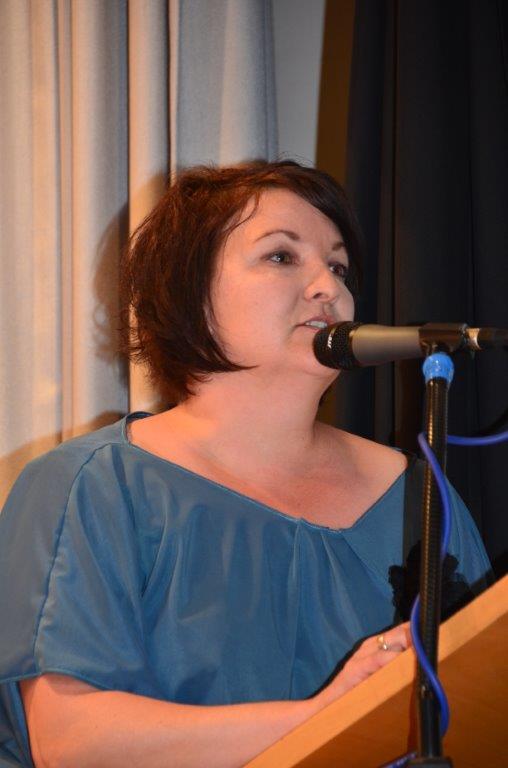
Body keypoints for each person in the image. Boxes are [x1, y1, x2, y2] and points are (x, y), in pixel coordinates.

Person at [0, 161, 491, 768]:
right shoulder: (94, 484)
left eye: (338, 267)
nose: (328, 287)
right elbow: (70, 742)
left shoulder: (419, 490)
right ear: (188, 293)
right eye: (282, 256)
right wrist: (327, 717)